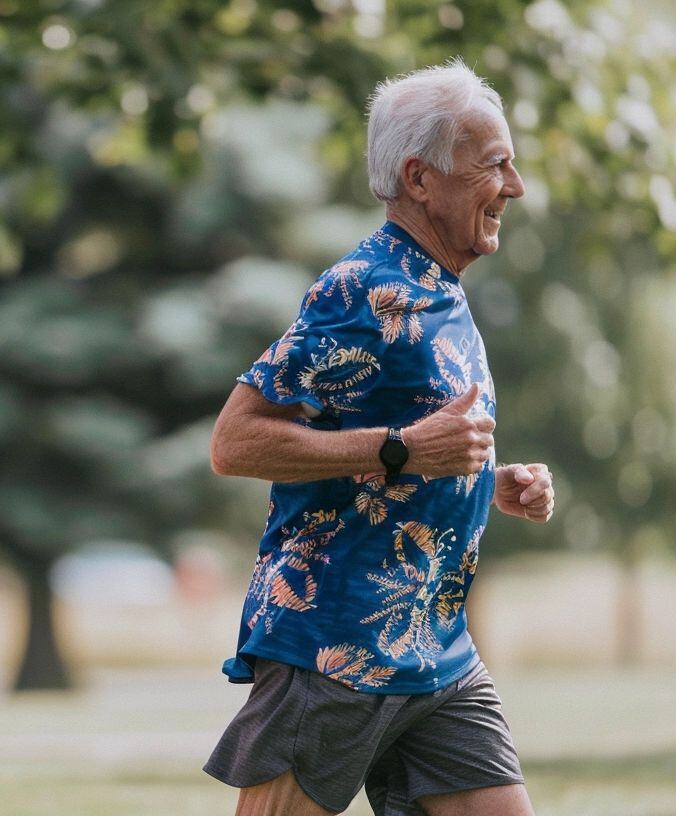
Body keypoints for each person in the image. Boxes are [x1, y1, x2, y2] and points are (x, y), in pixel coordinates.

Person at [204, 61, 556, 816]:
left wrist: (486, 479)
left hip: (436, 646)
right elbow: (235, 442)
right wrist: (402, 450)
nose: (516, 186)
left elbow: (407, 441)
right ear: (420, 179)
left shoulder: (441, 288)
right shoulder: (364, 289)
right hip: (337, 641)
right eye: (495, 164)